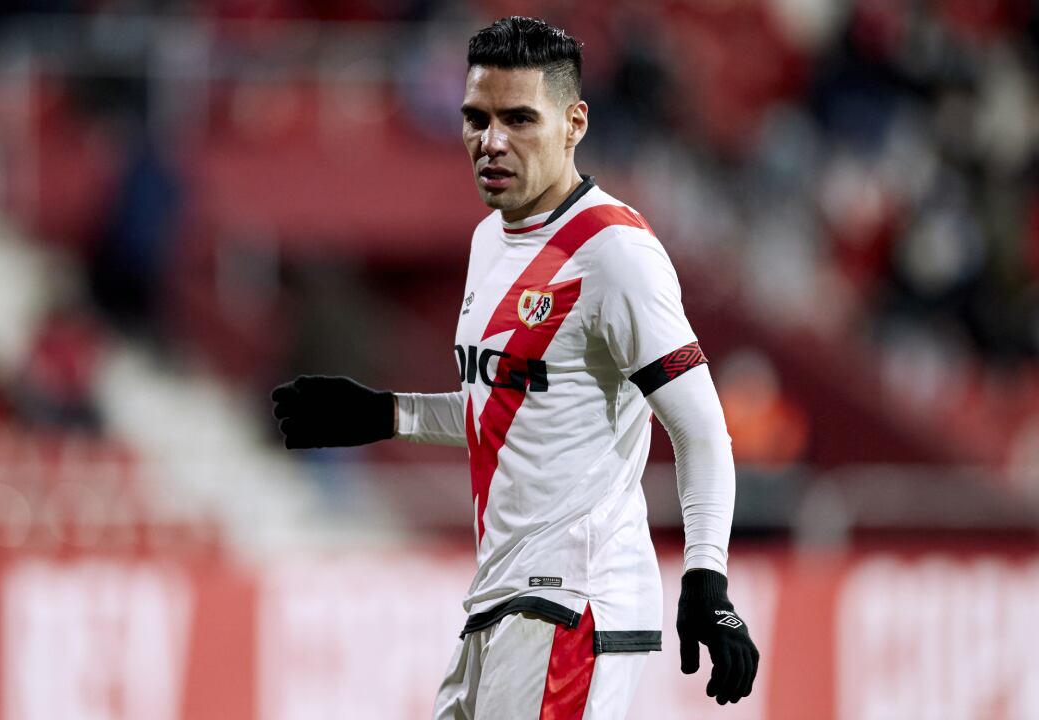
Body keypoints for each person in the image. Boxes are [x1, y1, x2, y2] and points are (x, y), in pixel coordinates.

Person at [272, 17, 758, 719]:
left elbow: (703, 430)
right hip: (501, 600)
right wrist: (387, 413)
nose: (490, 141)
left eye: (518, 119)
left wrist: (707, 578)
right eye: (476, 118)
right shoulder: (489, 239)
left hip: (572, 603)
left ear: (574, 123)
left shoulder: (613, 252)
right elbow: (509, 405)